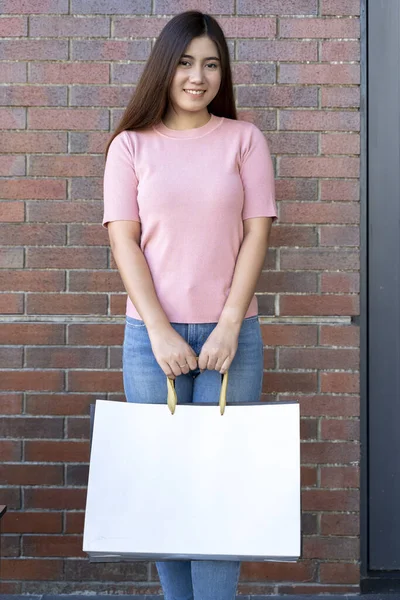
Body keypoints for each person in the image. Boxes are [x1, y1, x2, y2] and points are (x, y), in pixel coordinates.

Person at [102, 10, 277, 600]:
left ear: (222, 73)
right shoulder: (129, 146)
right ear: (164, 68)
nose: (197, 76)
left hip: (233, 338)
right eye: (184, 62)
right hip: (152, 342)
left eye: (209, 64)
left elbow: (257, 232)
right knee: (168, 493)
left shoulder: (244, 139)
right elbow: (124, 240)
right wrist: (159, 330)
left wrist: (229, 324)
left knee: (219, 492)